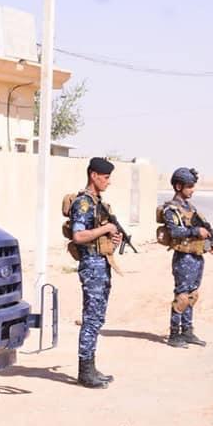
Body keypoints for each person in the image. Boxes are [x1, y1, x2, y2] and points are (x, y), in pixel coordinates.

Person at [69, 157, 122, 388]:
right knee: (91, 319)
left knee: (97, 317)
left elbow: (97, 235)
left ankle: (91, 367)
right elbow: (78, 235)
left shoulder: (97, 202)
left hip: (101, 264)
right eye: (106, 177)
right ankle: (85, 372)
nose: (108, 182)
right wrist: (106, 228)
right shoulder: (83, 203)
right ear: (94, 175)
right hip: (92, 266)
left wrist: (112, 239)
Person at [161, 167, 213, 348]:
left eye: (193, 186)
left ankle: (187, 331)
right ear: (178, 186)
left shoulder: (190, 208)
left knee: (192, 295)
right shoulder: (171, 209)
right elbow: (174, 231)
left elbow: (203, 233)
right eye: (189, 186)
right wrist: (196, 231)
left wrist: (212, 247)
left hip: (196, 256)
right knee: (182, 296)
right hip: (184, 258)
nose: (192, 190)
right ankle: (174, 334)